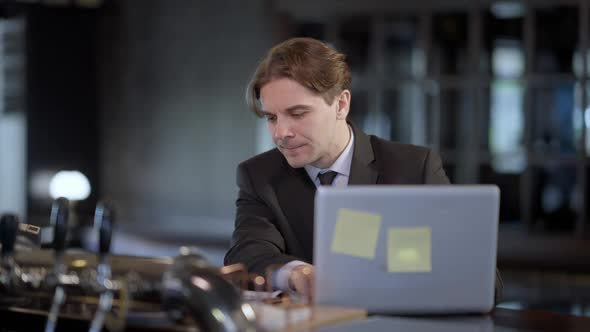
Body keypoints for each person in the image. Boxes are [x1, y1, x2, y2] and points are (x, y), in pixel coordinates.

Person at [224, 37, 501, 300]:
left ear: (341, 104)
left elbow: (483, 279)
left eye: (298, 114)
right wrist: (296, 273)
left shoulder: (413, 168)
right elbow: (248, 253)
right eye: (271, 117)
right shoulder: (259, 175)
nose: (281, 132)